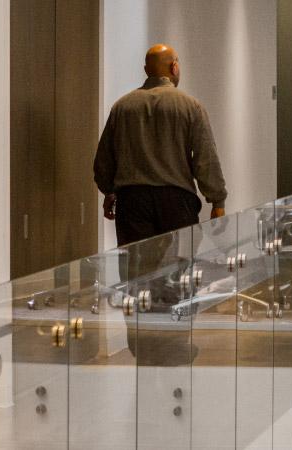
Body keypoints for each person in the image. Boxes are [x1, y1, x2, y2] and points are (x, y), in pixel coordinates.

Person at [93, 43, 227, 365]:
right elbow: (205, 157)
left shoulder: (122, 107)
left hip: (133, 201)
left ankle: (142, 347)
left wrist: (110, 191)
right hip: (176, 201)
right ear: (174, 68)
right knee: (178, 272)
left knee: (137, 275)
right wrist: (217, 199)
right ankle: (176, 344)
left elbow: (103, 162)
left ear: (145, 70)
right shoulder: (189, 106)